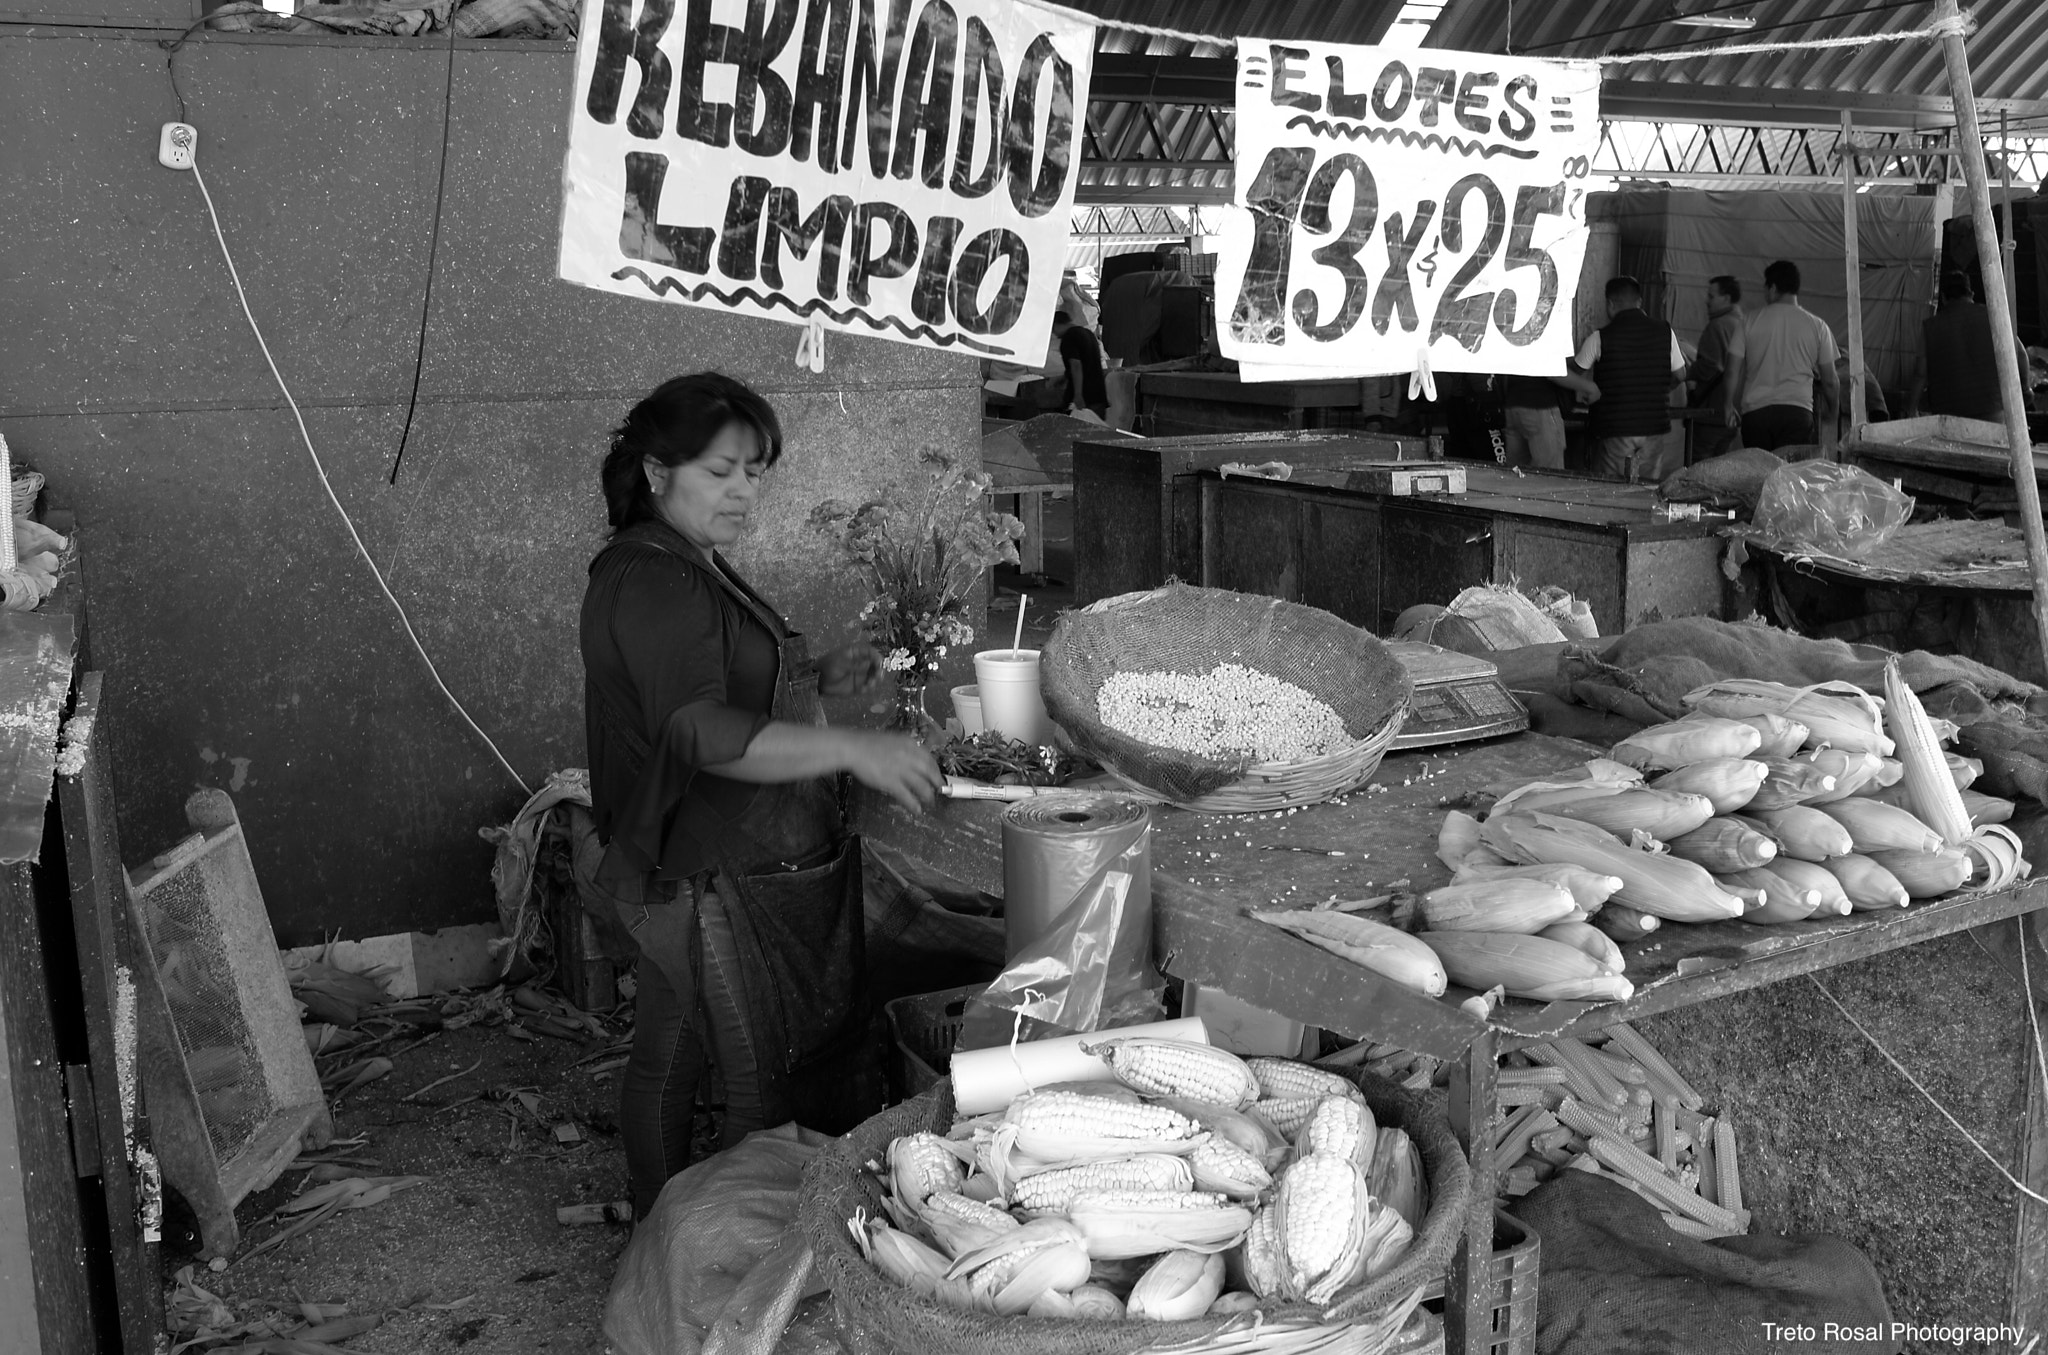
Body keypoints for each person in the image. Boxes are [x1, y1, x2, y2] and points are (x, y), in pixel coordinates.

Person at [579, 372, 943, 1218]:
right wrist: (855, 744)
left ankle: (659, 1228)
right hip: (700, 864)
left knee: (669, 1049)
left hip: (702, 853)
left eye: (754, 471)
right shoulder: (654, 578)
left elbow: (712, 682)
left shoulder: (687, 560)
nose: (743, 489)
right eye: (720, 470)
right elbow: (696, 728)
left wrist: (816, 675)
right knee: (756, 1090)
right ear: (658, 471)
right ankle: (731, 1270)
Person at [1571, 275, 1689, 482]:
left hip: (1615, 428)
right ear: (1639, 302)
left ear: (1610, 304)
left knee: (1612, 487)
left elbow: (1575, 371)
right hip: (1653, 425)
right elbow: (1681, 374)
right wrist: (1660, 389)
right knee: (1647, 488)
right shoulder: (1665, 332)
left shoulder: (1600, 337)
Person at [1731, 260, 1839, 452]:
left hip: (1755, 416)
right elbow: (1830, 380)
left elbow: (1732, 370)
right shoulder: (1817, 326)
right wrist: (1833, 411)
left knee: (1758, 477)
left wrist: (1727, 405)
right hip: (1797, 414)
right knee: (1789, 478)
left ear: (1772, 288)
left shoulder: (1747, 321)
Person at [1906, 271, 2004, 421]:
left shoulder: (1930, 327)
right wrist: (2025, 391)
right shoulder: (1994, 318)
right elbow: (2020, 355)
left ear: (1944, 298)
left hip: (1949, 419)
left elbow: (1920, 374)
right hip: (1993, 414)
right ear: (1971, 294)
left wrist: (1911, 410)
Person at [1690, 275, 1746, 459]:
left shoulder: (1717, 326)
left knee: (1699, 471)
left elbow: (1708, 367)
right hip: (1735, 414)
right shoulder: (1745, 324)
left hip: (1711, 413)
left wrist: (1684, 373)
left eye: (1711, 296)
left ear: (1727, 298)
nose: (1707, 301)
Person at [1053, 309, 1108, 420]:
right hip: (1099, 394)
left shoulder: (1069, 338)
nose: (1053, 333)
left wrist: (1078, 394)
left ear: (1056, 324)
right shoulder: (1087, 333)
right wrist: (1063, 378)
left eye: (1052, 329)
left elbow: (1076, 365)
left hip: (1084, 398)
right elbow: (1087, 363)